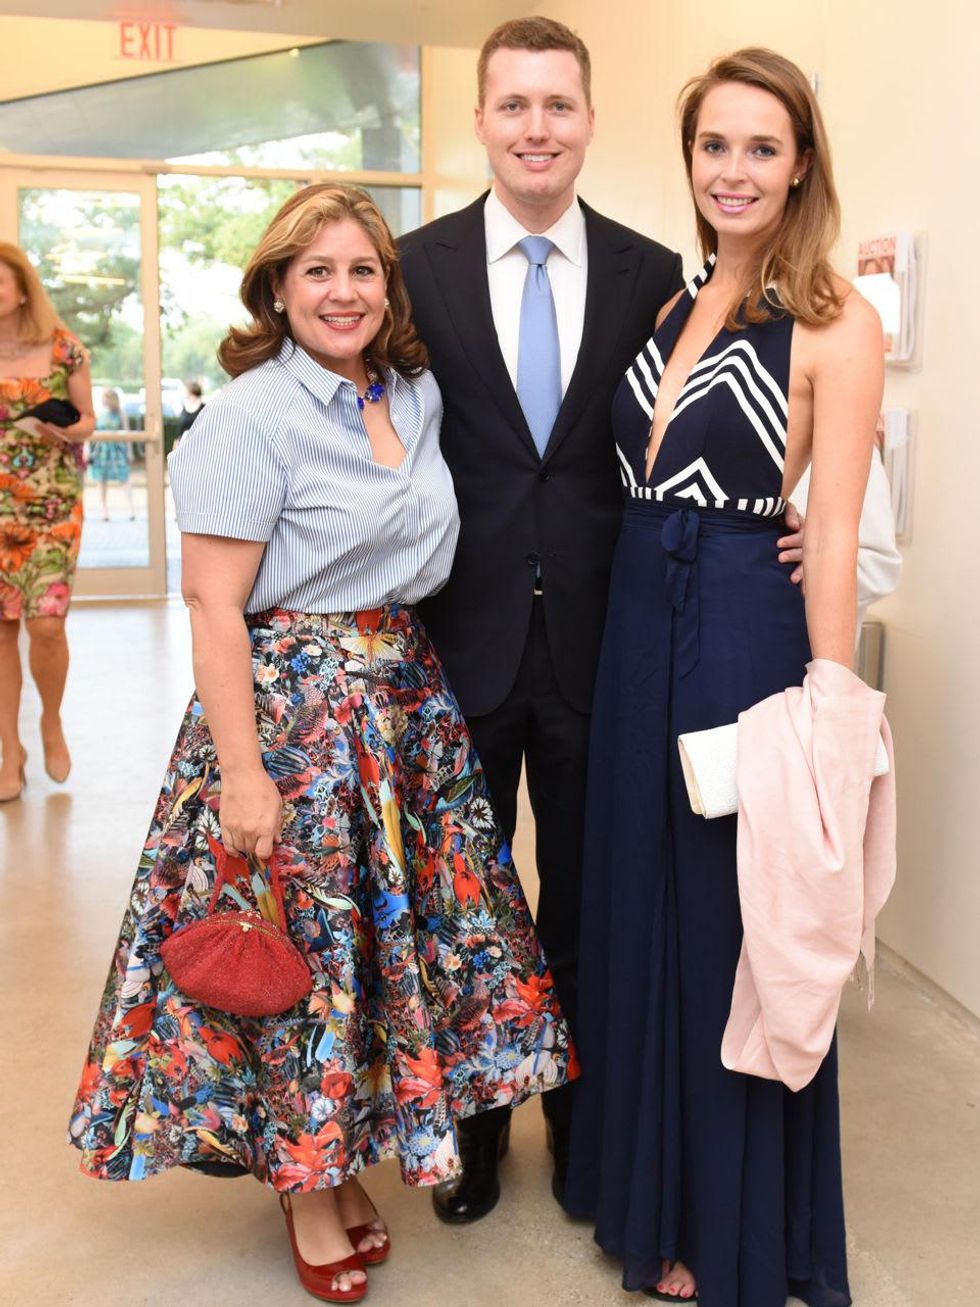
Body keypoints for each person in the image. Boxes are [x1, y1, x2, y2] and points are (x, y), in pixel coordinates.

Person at [68, 183, 576, 1305]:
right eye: (316, 271)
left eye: (362, 270)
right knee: (306, 960)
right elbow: (212, 608)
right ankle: (306, 1184)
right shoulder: (247, 417)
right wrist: (244, 775)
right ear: (277, 288)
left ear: (385, 288)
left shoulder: (414, 392)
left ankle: (344, 1160)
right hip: (292, 719)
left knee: (384, 956)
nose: (341, 291)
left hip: (404, 708)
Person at [563, 48, 884, 1306]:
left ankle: (719, 1212)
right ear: (688, 159)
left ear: (800, 160)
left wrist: (826, 705)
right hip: (636, 625)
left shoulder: (836, 318)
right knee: (634, 904)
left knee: (729, 922)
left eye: (760, 146)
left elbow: (839, 527)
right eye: (713, 146)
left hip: (742, 639)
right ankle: (641, 1186)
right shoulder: (671, 300)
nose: (733, 169)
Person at [398, 14, 687, 1224]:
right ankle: (472, 1130)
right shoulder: (405, 268)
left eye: (555, 105)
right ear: (479, 119)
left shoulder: (650, 272)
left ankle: (576, 1124)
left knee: (582, 898)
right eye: (512, 105)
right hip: (452, 646)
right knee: (462, 908)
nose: (534, 128)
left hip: (595, 646)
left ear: (586, 118)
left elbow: (693, 439)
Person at [0, 241, 94, 801]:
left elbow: (86, 422)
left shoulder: (64, 350)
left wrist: (58, 426)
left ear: (20, 291)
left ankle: (51, 720)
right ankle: (8, 749)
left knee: (45, 624)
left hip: (51, 504)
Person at [87, 387, 135, 521]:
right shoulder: (99, 413)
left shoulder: (120, 413)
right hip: (101, 451)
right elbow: (90, 433)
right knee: (101, 480)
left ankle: (131, 509)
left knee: (124, 478)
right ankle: (104, 511)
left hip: (117, 450)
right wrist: (88, 451)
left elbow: (127, 432)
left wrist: (129, 451)